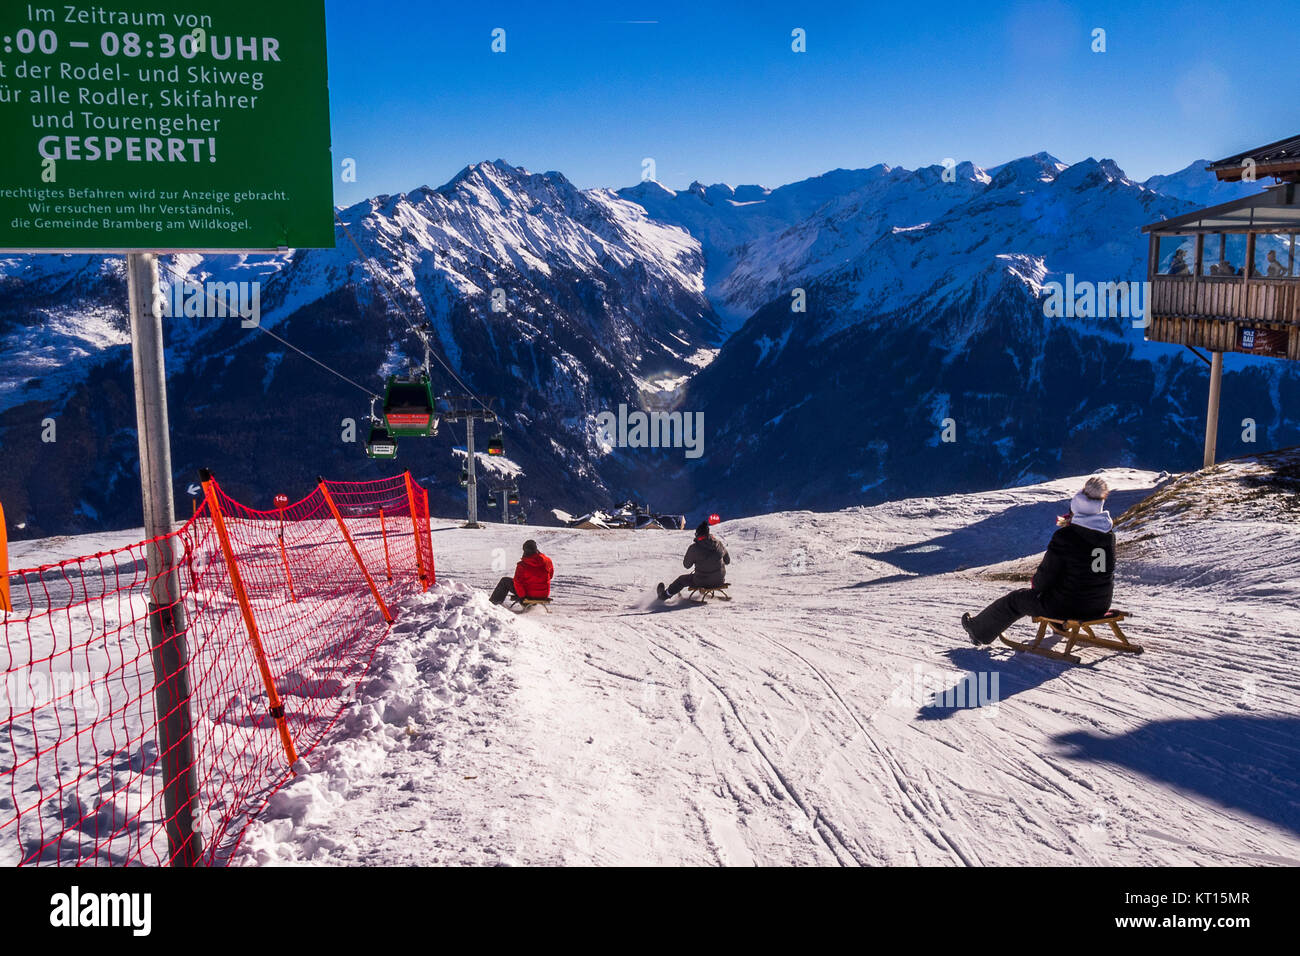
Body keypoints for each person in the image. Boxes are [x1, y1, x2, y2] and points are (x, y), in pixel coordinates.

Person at [962, 477, 1116, 645]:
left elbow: (1045, 577)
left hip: (1069, 607)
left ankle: (978, 631)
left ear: (1076, 509)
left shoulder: (1066, 536)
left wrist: (1035, 588)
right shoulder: (1108, 536)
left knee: (1016, 600)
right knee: (1072, 587)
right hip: (1100, 604)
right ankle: (1061, 625)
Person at [657, 520, 730, 600]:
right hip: (719, 580)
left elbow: (686, 565)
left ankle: (664, 595)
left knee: (681, 580)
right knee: (704, 575)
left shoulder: (694, 548)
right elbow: (727, 561)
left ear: (697, 535)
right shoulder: (718, 544)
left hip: (702, 581)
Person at [489, 539, 554, 605]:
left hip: (528, 594)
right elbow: (550, 576)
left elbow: (517, 582)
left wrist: (522, 597)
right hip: (544, 594)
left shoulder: (522, 565)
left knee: (505, 581)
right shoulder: (547, 561)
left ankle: (494, 604)